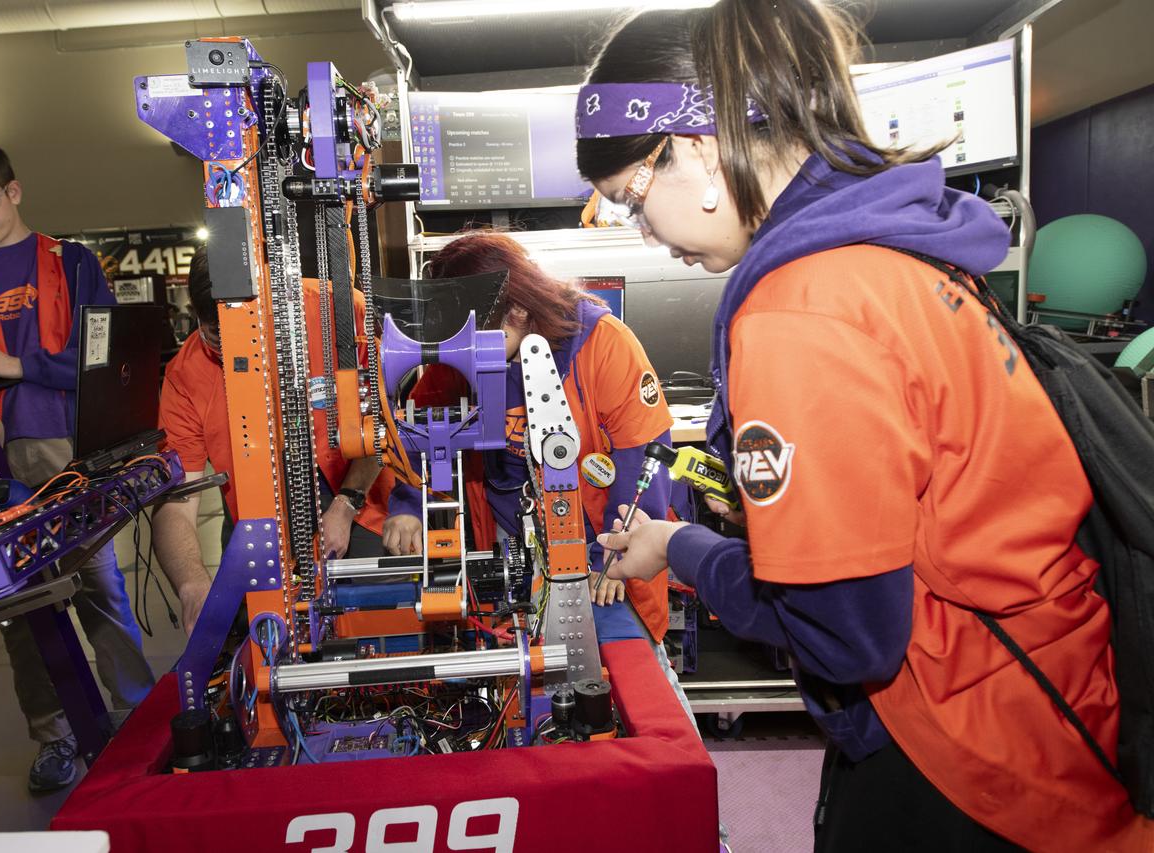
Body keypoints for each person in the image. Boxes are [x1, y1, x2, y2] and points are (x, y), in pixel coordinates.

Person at [580, 4, 1151, 852]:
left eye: (630, 199)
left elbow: (842, 634)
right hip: (1059, 701)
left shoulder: (801, 310)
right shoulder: (899, 249)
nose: (648, 233)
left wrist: (684, 549)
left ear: (696, 148)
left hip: (969, 757)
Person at [0, 136, 154, 793]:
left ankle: (138, 716)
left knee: (98, 580)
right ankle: (56, 736)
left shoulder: (70, 264)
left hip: (71, 447)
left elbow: (102, 359)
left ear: (12, 191)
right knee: (16, 602)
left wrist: (22, 367)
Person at [381, 231, 676, 649]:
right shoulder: (464, 352)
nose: (465, 347)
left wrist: (611, 556)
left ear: (518, 309)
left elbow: (641, 457)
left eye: (478, 331)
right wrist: (410, 504)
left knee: (620, 656)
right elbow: (419, 432)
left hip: (601, 533)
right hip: (512, 535)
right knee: (525, 657)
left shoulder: (603, 344)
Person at [154, 247, 394, 632]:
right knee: (262, 634)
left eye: (246, 330)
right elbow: (178, 502)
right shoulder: (185, 377)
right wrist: (192, 584)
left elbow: (383, 420)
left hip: (358, 491)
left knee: (376, 615)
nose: (236, 347)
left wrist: (347, 503)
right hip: (256, 516)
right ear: (198, 319)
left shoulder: (337, 312)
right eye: (220, 336)